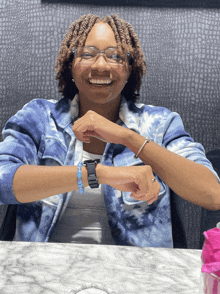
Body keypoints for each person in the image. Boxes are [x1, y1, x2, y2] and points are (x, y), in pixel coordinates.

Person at [0, 14, 219, 247]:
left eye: (115, 56)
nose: (101, 66)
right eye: (87, 54)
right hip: (41, 271)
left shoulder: (161, 123)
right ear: (70, 65)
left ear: (130, 70)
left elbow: (212, 194)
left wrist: (128, 137)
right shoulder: (39, 116)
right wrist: (97, 174)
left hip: (136, 275)